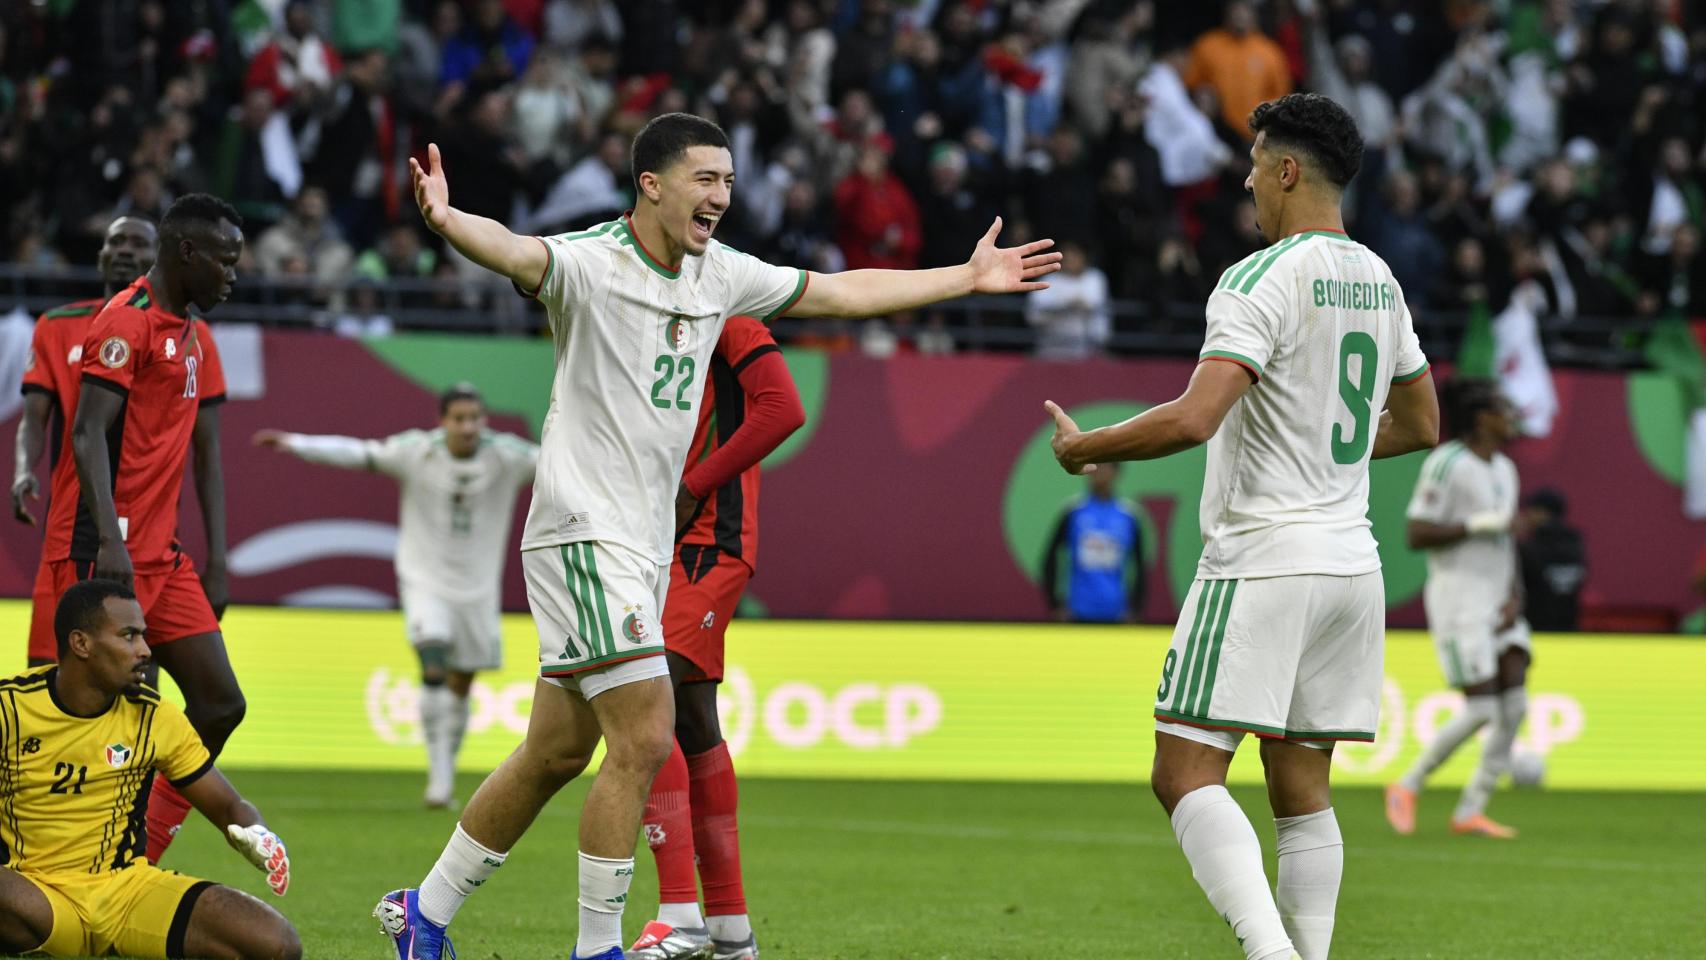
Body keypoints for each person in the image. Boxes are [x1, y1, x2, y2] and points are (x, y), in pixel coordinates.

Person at [376, 112, 1059, 960]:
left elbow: (839, 290)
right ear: (651, 185)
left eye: (729, 181)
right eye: (706, 179)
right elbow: (515, 249)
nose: (722, 197)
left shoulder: (720, 275)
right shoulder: (592, 264)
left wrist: (962, 278)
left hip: (638, 545)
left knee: (554, 753)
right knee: (646, 731)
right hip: (583, 532)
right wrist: (445, 221)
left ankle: (425, 911)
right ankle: (598, 949)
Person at [1043, 93, 1438, 960]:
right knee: (1302, 789)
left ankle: (1270, 953)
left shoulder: (1259, 277)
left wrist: (1087, 449)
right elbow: (1419, 425)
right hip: (1350, 566)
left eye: (1256, 166)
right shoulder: (1379, 277)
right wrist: (1324, 452)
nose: (1250, 183)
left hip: (1264, 559)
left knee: (1182, 773)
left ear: (1288, 171)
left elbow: (1193, 419)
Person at [252, 384, 539, 808]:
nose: (468, 427)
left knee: (462, 682)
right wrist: (298, 444)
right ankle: (438, 781)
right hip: (425, 580)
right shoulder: (416, 452)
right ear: (443, 421)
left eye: (475, 418)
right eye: (459, 419)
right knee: (434, 661)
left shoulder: (508, 456)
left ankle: (446, 769)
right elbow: (357, 453)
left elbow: (563, 463)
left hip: (478, 590)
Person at [63, 194, 243, 865]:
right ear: (187, 253)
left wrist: (217, 559)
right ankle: (88, 859)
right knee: (123, 724)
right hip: (116, 561)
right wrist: (109, 538)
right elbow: (86, 433)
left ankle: (140, 847)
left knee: (221, 705)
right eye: (225, 261)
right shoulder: (126, 322)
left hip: (165, 562)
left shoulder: (195, 334)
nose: (233, 275)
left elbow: (203, 452)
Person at [0, 578, 298, 960]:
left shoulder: (155, 717)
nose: (144, 650)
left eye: (143, 636)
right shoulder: (12, 709)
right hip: (36, 899)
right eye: (128, 636)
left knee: (276, 943)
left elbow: (227, 805)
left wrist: (260, 834)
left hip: (127, 893)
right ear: (81, 644)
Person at [631, 316, 805, 960]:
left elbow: (785, 408)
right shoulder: (650, 306)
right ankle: (732, 933)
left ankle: (679, 914)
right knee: (693, 720)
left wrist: (693, 487)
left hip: (708, 540)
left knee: (642, 702)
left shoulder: (729, 313)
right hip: (656, 541)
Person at [1386, 379, 1531, 840]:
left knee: (1516, 705)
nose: (1510, 416)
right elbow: (1416, 534)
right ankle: (1406, 784)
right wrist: (1478, 523)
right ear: (1481, 416)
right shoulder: (1446, 463)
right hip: (1460, 597)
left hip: (1500, 598)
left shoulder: (1506, 468)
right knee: (1483, 709)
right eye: (1502, 408)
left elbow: (1506, 538)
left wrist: (1515, 594)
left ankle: (1471, 810)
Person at [15, 216, 158, 667]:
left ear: (158, 259)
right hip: (70, 522)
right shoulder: (57, 326)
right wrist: (23, 468)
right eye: (116, 241)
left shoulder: (176, 333)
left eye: (139, 243)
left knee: (134, 669)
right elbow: (34, 417)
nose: (125, 250)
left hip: (146, 525)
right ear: (100, 255)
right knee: (49, 664)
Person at [1040, 462, 1145, 623]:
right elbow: (1050, 557)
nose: (1098, 472)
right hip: (1077, 614)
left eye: (1104, 466)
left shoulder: (1129, 515)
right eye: (1094, 466)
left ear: (1116, 472)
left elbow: (1140, 565)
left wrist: (1135, 610)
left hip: (1116, 615)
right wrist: (1055, 605)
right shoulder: (1073, 511)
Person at [1519, 488, 1585, 632]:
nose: (1527, 515)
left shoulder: (1531, 547)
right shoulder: (1576, 545)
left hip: (1536, 631)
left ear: (1544, 513)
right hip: (1569, 629)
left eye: (1532, 510)